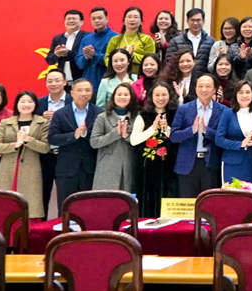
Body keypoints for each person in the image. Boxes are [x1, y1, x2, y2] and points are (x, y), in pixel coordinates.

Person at [0, 91, 49, 217]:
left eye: (30, 102)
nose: (26, 104)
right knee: (4, 206)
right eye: (23, 101)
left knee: (30, 207)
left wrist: (28, 140)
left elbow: (45, 147)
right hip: (7, 168)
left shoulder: (43, 122)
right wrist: (15, 145)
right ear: (17, 104)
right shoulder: (6, 122)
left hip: (31, 169)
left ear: (35, 104)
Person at [170, 72, 229, 197]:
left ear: (215, 89)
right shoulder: (184, 109)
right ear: (195, 88)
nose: (204, 89)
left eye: (208, 86)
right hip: (187, 164)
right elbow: (174, 136)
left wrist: (206, 131)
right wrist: (192, 130)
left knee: (209, 202)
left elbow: (224, 138)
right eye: (200, 86)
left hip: (211, 163)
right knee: (187, 203)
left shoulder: (224, 111)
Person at [130, 81, 177, 218]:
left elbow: (179, 139)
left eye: (164, 94)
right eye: (157, 95)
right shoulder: (143, 115)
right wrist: (152, 129)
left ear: (170, 96)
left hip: (169, 166)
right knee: (147, 201)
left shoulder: (176, 114)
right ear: (151, 97)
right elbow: (134, 140)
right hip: (146, 166)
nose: (160, 98)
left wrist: (166, 129)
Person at [49, 78, 97, 204]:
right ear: (72, 93)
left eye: (87, 90)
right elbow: (52, 138)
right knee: (65, 206)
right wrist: (73, 135)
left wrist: (85, 134)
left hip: (90, 168)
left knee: (88, 206)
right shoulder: (60, 114)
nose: (84, 93)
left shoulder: (99, 112)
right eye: (79, 90)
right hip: (66, 169)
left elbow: (100, 138)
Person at [90, 82, 139, 191]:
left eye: (126, 95)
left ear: (131, 97)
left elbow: (141, 143)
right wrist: (114, 134)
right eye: (119, 94)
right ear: (113, 97)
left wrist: (127, 136)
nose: (122, 97)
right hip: (107, 168)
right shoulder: (102, 117)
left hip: (129, 166)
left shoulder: (137, 117)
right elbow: (94, 142)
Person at [214, 80, 252, 184]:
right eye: (240, 92)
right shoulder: (227, 113)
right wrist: (241, 144)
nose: (244, 95)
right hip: (232, 162)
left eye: (248, 92)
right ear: (235, 95)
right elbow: (219, 139)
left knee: (251, 192)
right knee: (232, 192)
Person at [41, 69, 68, 211]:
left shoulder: (73, 101)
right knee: (42, 194)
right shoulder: (39, 103)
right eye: (50, 81)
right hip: (45, 154)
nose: (54, 84)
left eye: (57, 80)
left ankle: (66, 222)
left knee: (66, 196)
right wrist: (41, 117)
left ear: (65, 82)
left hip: (66, 154)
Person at [106, 6, 156, 75]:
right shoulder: (114, 39)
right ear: (124, 21)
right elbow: (107, 58)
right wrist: (118, 62)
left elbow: (150, 60)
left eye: (136, 17)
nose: (132, 20)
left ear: (141, 21)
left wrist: (133, 56)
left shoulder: (147, 39)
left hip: (139, 76)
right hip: (118, 75)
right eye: (129, 17)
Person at [45, 9, 87, 85]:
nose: (71, 21)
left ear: (81, 22)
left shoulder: (87, 37)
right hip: (62, 82)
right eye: (68, 19)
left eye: (74, 19)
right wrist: (56, 54)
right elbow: (50, 60)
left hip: (81, 80)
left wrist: (68, 53)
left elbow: (85, 58)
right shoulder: (58, 38)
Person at [76, 7, 117, 86]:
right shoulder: (86, 39)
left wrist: (95, 55)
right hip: (88, 83)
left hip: (108, 82)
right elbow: (80, 64)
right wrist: (86, 57)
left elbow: (114, 61)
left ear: (107, 19)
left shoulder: (115, 38)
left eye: (100, 18)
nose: (96, 21)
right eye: (93, 19)